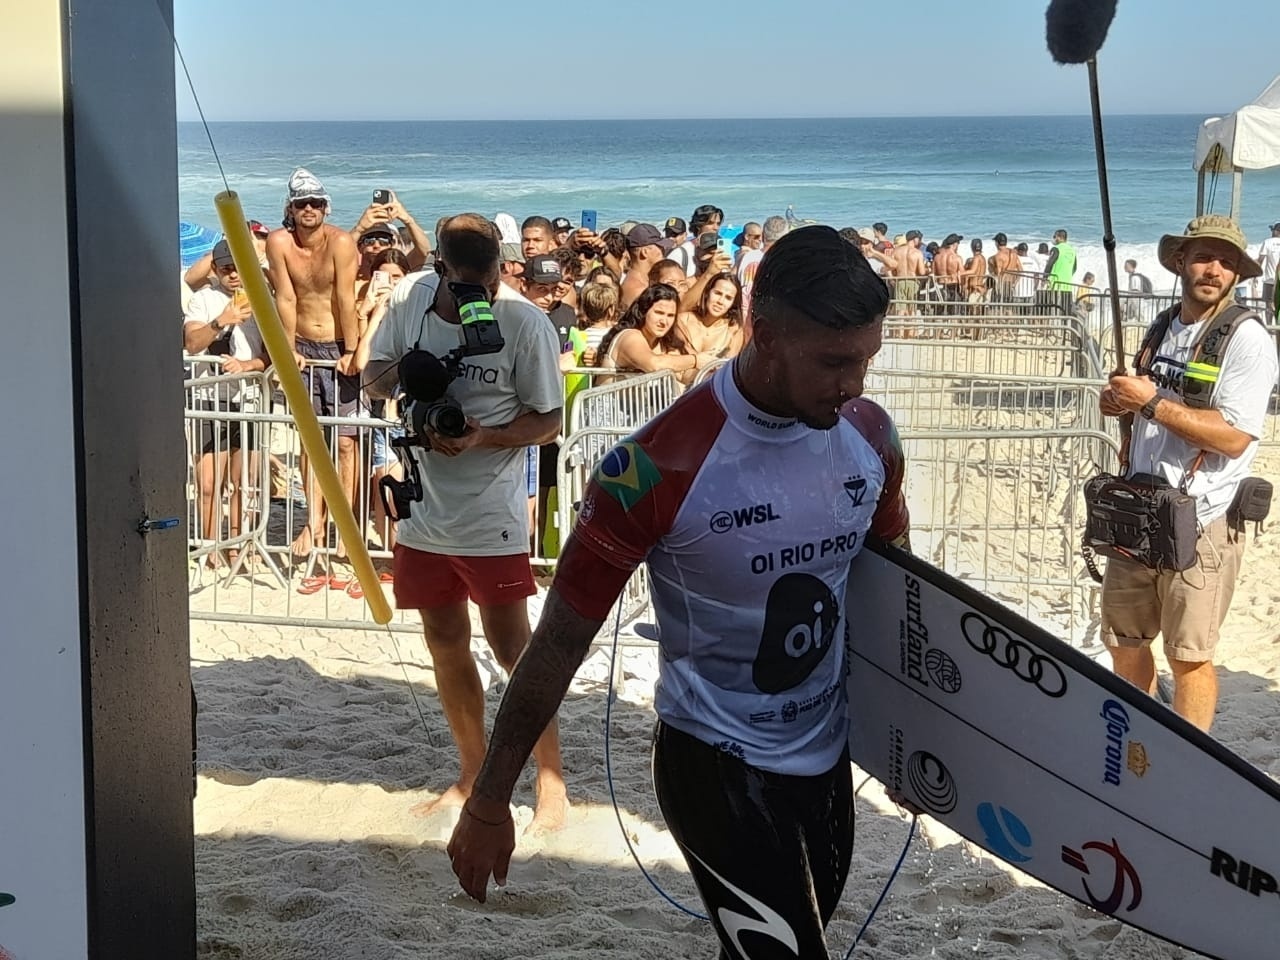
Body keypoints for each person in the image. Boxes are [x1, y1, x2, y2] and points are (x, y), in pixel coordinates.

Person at [446, 226, 911, 960]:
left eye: (866, 359)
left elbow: (896, 604)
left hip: (823, 761)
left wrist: (912, 746)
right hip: (714, 763)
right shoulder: (654, 467)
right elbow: (560, 641)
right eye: (833, 361)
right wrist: (491, 797)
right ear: (762, 332)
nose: (854, 383)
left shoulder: (870, 436)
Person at [362, 213, 569, 828]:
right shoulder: (410, 298)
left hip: (491, 519)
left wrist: (484, 438)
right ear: (440, 268)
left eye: (491, 279)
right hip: (424, 516)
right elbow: (373, 380)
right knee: (444, 643)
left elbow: (549, 421)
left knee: (515, 651)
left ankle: (552, 782)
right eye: (466, 283)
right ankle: (472, 773)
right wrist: (417, 385)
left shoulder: (523, 321)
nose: (482, 294)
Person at [1098, 215, 1277, 732]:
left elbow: (1233, 436)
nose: (1213, 269)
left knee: (1189, 656)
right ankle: (1138, 743)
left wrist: (1149, 401)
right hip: (1139, 510)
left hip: (1203, 520)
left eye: (1226, 262)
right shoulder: (1162, 326)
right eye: (1203, 256)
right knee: (1124, 643)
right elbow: (1141, 401)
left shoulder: (1247, 340)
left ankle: (1188, 760)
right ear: (1180, 262)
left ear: (1239, 274)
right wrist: (1118, 403)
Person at [265, 168, 363, 577]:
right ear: (291, 207)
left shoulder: (341, 242)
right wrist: (286, 349)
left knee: (344, 443)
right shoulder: (279, 242)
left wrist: (354, 348)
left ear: (326, 207)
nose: (310, 210)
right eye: (303, 203)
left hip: (338, 347)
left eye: (316, 203)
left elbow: (344, 297)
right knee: (310, 441)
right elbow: (286, 297)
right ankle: (314, 521)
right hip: (303, 345)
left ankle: (346, 524)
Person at [182, 240, 268, 568]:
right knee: (207, 482)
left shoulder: (263, 301)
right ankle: (208, 544)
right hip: (208, 398)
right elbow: (191, 343)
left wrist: (247, 367)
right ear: (216, 270)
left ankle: (239, 543)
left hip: (248, 399)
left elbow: (272, 353)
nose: (233, 275)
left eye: (238, 267)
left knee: (245, 480)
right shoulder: (204, 300)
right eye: (226, 268)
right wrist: (222, 319)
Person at [596, 283, 712, 385]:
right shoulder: (630, 336)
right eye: (659, 313)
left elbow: (683, 374)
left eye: (670, 315)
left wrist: (707, 370)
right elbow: (654, 364)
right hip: (611, 408)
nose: (664, 321)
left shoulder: (664, 343)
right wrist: (695, 360)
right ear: (644, 311)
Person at [677, 271, 745, 360]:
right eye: (717, 293)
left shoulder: (733, 331)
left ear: (733, 303)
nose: (720, 301)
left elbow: (728, 368)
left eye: (728, 298)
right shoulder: (683, 320)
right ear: (707, 292)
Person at [737, 215, 789, 324]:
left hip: (746, 322)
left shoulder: (748, 257)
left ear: (764, 235)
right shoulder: (784, 261)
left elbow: (744, 294)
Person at [669, 204, 724, 277]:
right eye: (710, 223)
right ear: (698, 225)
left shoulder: (720, 248)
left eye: (718, 224)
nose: (716, 228)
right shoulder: (681, 253)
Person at [1255, 223, 1280, 322]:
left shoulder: (1268, 242)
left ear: (1276, 232)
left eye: (1272, 230)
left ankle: (1270, 328)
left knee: (1268, 306)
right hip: (1278, 279)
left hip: (1270, 280)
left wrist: (1254, 275)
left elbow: (1260, 260)